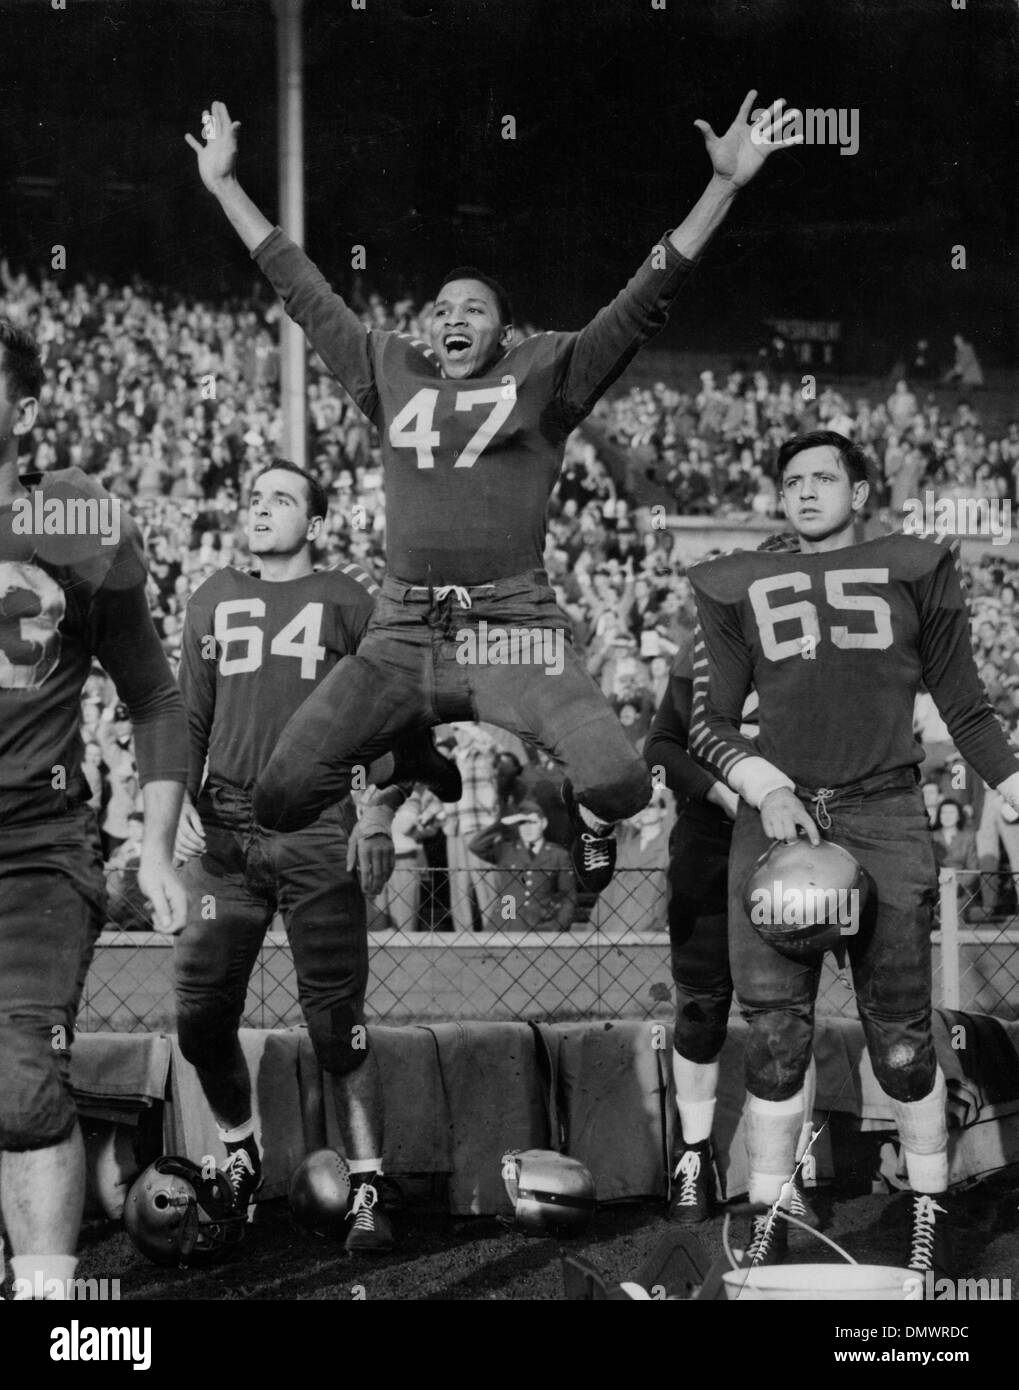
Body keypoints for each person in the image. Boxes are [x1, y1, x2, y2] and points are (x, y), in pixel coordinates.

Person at [186, 90, 804, 893]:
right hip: (402, 629)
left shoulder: (544, 374)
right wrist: (225, 185)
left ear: (503, 334)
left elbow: (641, 305)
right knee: (278, 796)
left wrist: (722, 186)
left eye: (472, 309)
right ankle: (405, 753)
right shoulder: (388, 368)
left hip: (509, 627)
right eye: (440, 308)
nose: (451, 316)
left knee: (616, 785)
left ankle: (573, 817)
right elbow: (301, 289)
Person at [688, 428, 1019, 1276]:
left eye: (822, 477)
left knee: (902, 1040)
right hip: (779, 814)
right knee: (771, 1034)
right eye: (790, 478)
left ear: (861, 490)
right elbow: (707, 722)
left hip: (882, 812)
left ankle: (926, 1202)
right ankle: (769, 1210)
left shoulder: (913, 568)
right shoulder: (738, 584)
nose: (803, 490)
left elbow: (968, 713)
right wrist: (766, 786)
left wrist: (1014, 788)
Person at [173, 459, 453, 1252]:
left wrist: (378, 813)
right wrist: (178, 809)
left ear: (319, 523)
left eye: (282, 498)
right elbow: (186, 718)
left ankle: (367, 1181)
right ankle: (239, 1154)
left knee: (337, 1027)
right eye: (254, 497)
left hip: (314, 828)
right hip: (224, 835)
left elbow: (403, 721)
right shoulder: (211, 598)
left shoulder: (349, 602)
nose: (260, 508)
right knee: (198, 1020)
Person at [0, 317, 188, 1300]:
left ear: (22, 411)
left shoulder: (73, 521)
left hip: (32, 848)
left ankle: (47, 1309)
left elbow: (153, 693)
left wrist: (156, 847)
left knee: (22, 1080)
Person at [643, 535, 819, 1226]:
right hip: (711, 843)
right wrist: (722, 791)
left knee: (783, 1014)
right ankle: (693, 1155)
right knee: (699, 1005)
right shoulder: (705, 643)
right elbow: (659, 744)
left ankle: (779, 1166)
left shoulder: (826, 657)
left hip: (788, 852)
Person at [468, 801, 576, 932]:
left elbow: (568, 897)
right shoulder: (506, 850)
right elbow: (476, 845)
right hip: (503, 926)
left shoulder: (558, 855)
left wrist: (556, 927)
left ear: (543, 823)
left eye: (532, 822)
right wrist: (501, 824)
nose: (527, 828)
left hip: (540, 928)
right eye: (522, 823)